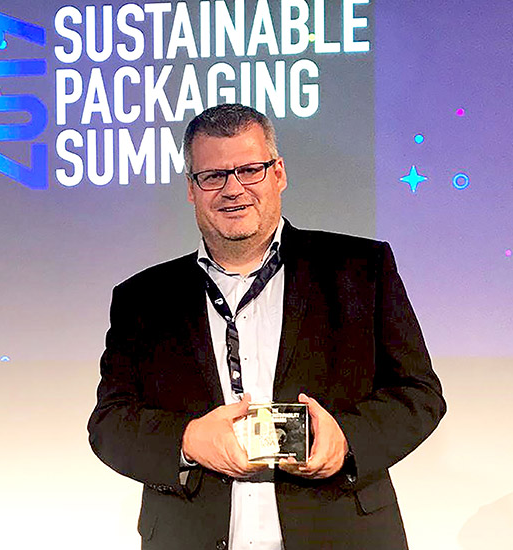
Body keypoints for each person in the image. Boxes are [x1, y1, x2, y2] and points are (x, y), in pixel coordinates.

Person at [88, 103, 445, 550]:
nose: (233, 189)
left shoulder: (361, 270)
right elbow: (110, 423)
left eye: (249, 170)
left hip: (341, 535)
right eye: (213, 176)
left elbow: (419, 394)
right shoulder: (143, 298)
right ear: (191, 189)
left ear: (278, 174)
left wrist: (346, 440)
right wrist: (188, 440)